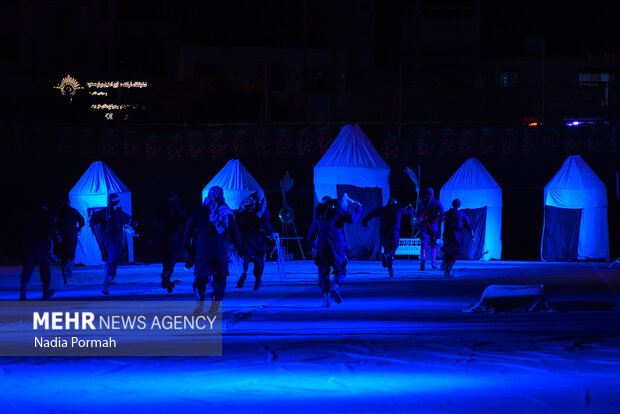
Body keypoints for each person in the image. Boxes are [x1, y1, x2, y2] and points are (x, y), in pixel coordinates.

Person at [184, 186, 244, 316]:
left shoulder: (199, 211)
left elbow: (187, 231)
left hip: (202, 252)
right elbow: (235, 233)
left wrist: (187, 250)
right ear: (221, 196)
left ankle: (199, 304)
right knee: (219, 281)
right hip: (219, 253)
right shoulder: (226, 212)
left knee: (200, 279)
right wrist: (241, 250)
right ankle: (214, 307)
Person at [308, 194, 362, 307]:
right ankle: (335, 287)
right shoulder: (337, 214)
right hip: (337, 246)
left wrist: (315, 246)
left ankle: (326, 298)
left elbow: (310, 236)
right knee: (341, 270)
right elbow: (352, 218)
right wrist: (359, 208)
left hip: (323, 246)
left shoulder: (318, 217)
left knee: (323, 273)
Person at [90, 193, 137, 295]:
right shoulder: (119, 214)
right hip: (114, 240)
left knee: (110, 260)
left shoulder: (104, 212)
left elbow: (92, 219)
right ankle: (106, 282)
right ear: (118, 202)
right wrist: (132, 231)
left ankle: (108, 276)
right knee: (112, 261)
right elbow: (129, 224)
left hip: (106, 239)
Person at [235, 190, 277, 291]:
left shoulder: (247, 208)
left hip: (250, 236)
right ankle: (256, 279)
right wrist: (273, 232)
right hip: (258, 237)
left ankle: (246, 275)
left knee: (247, 258)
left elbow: (239, 220)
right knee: (257, 259)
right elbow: (266, 224)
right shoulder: (262, 210)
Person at [362, 198, 414, 277]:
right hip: (394, 231)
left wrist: (365, 220)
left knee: (386, 248)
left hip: (383, 232)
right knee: (394, 246)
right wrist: (410, 207)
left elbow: (372, 214)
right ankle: (389, 261)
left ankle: (386, 256)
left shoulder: (382, 209)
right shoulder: (398, 209)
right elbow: (409, 213)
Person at [19, 202, 60, 300]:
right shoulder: (46, 215)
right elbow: (52, 229)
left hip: (28, 243)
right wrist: (57, 237)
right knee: (44, 266)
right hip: (41, 243)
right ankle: (46, 291)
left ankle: (23, 291)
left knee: (27, 267)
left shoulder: (27, 215)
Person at [158, 192, 187, 293]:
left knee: (166, 259)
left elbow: (161, 224)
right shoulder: (176, 209)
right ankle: (167, 274)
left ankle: (167, 277)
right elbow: (183, 219)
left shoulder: (163, 209)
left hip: (166, 237)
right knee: (173, 258)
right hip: (174, 238)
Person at [55, 197, 85, 284]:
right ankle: (68, 276)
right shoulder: (74, 211)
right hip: (72, 235)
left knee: (64, 256)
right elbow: (82, 221)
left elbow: (56, 224)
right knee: (71, 255)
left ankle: (65, 277)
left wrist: (57, 234)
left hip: (62, 236)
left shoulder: (61, 212)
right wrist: (78, 229)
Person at [441, 199, 474, 279]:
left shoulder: (448, 213)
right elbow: (468, 224)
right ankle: (447, 270)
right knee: (454, 254)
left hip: (447, 235)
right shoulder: (462, 214)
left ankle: (445, 263)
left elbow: (441, 218)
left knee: (448, 251)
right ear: (460, 205)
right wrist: (472, 233)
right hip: (456, 236)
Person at [416, 187, 444, 271]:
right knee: (433, 244)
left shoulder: (422, 204)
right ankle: (432, 261)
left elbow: (418, 215)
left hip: (427, 226)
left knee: (426, 244)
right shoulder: (435, 203)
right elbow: (442, 213)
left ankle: (424, 258)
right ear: (432, 194)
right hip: (432, 226)